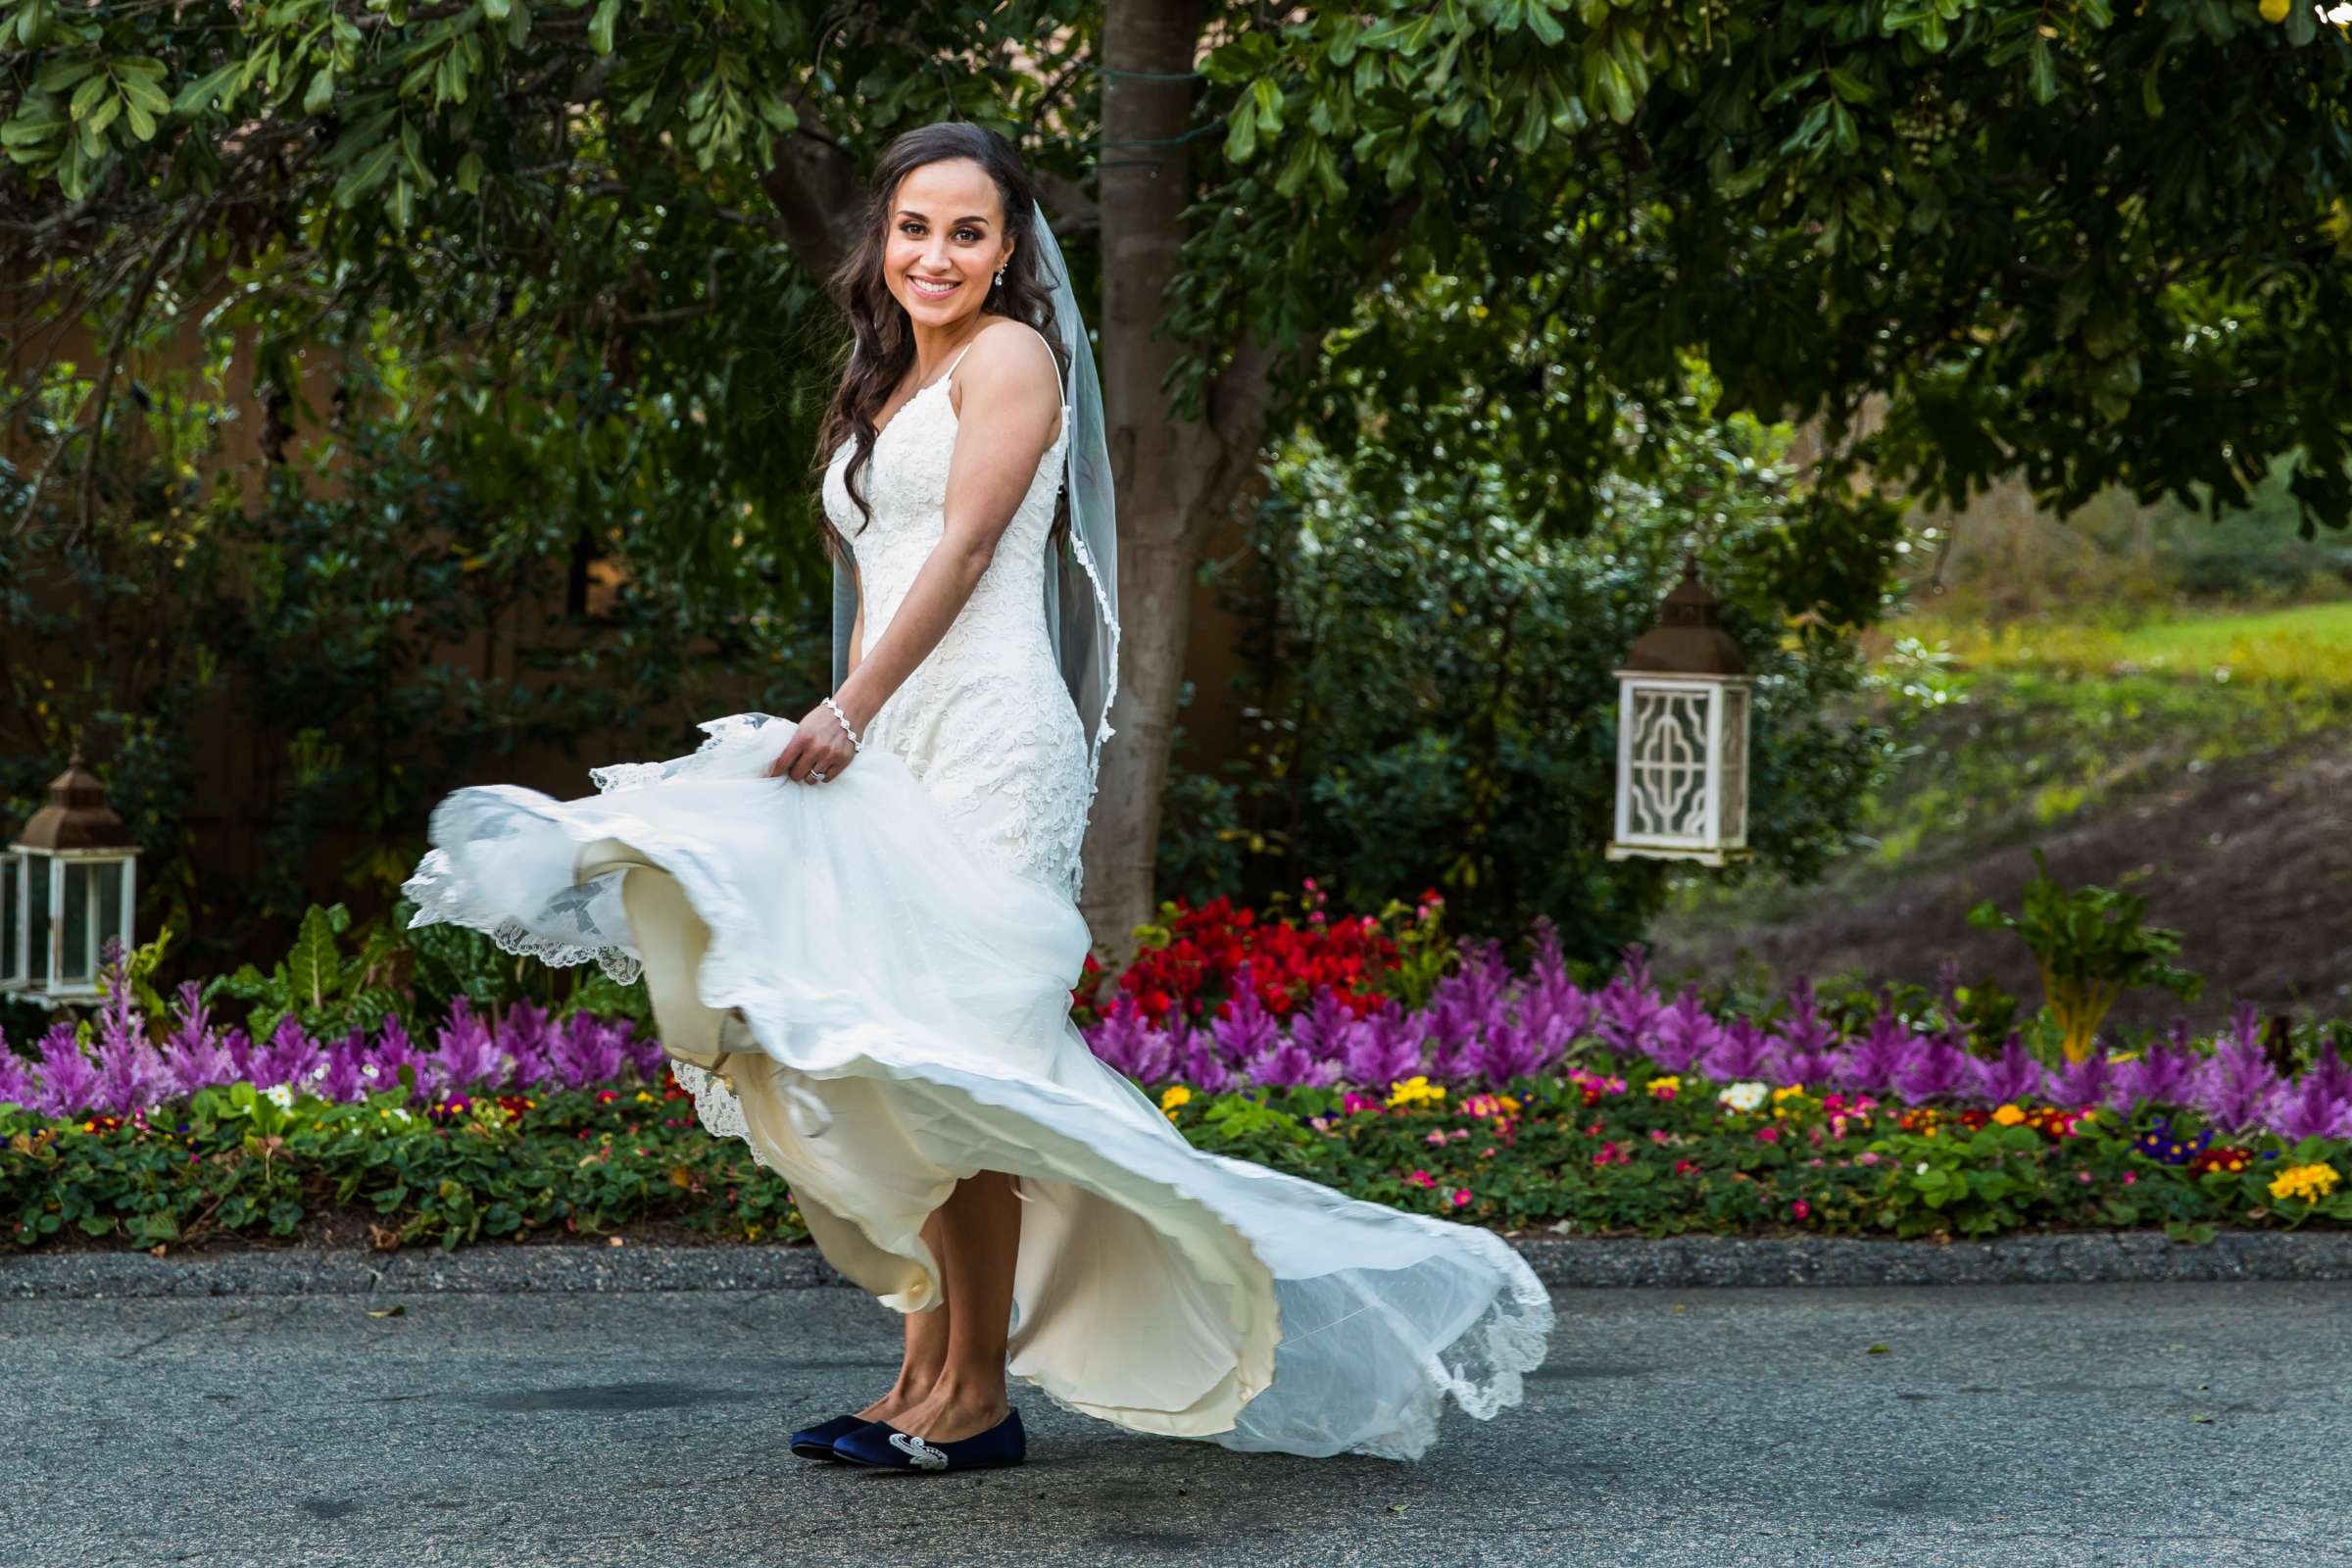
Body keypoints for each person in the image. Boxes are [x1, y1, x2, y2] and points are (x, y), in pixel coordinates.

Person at [400, 121, 1552, 1474]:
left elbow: (959, 555)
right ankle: (918, 1377)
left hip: (987, 732)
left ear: (1011, 253)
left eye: (967, 231)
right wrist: (849, 727)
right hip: (894, 731)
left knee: (970, 1069)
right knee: (896, 1062)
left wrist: (847, 710)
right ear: (878, 243)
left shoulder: (1013, 359)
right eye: (912, 228)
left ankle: (978, 1397)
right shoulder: (887, 375)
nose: (935, 254)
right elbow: (881, 571)